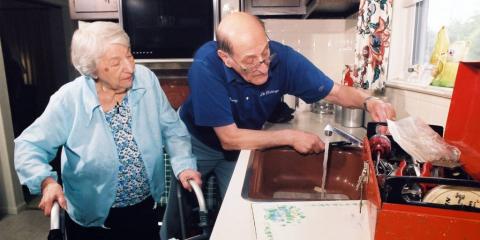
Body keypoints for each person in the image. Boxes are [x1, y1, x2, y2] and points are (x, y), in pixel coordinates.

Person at [161, 12, 396, 238]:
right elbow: (229, 138)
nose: (263, 67)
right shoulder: (206, 65)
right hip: (198, 142)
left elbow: (334, 92)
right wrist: (290, 137)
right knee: (180, 211)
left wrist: (369, 101)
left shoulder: (284, 59)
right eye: (250, 62)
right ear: (226, 58)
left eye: (265, 53)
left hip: (242, 145)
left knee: (236, 212)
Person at [14, 21, 201, 240]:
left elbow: (172, 128)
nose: (130, 67)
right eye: (115, 62)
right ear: (92, 69)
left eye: (129, 55)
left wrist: (183, 164)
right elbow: (29, 145)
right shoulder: (69, 99)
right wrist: (46, 182)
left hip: (144, 210)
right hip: (92, 222)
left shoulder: (145, 80)